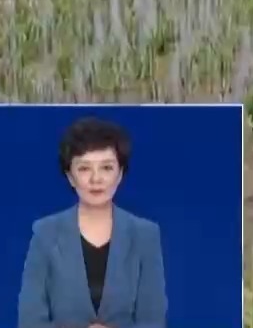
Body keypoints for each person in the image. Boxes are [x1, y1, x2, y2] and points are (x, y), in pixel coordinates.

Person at [18, 116, 167, 328]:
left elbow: (153, 322)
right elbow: (29, 322)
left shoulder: (145, 235)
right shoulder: (45, 234)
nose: (96, 179)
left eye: (106, 168)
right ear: (70, 176)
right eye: (84, 168)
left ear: (120, 174)